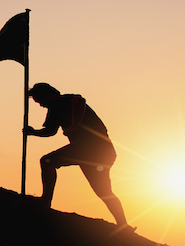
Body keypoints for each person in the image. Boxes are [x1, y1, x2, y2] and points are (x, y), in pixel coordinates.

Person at [25, 83, 132, 231]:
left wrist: (75, 125)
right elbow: (50, 131)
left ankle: (45, 200)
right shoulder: (53, 110)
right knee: (103, 191)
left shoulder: (66, 99)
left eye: (40, 100)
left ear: (48, 95)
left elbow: (78, 101)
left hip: (94, 147)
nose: (41, 105)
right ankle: (123, 225)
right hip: (88, 153)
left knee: (47, 161)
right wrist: (33, 132)